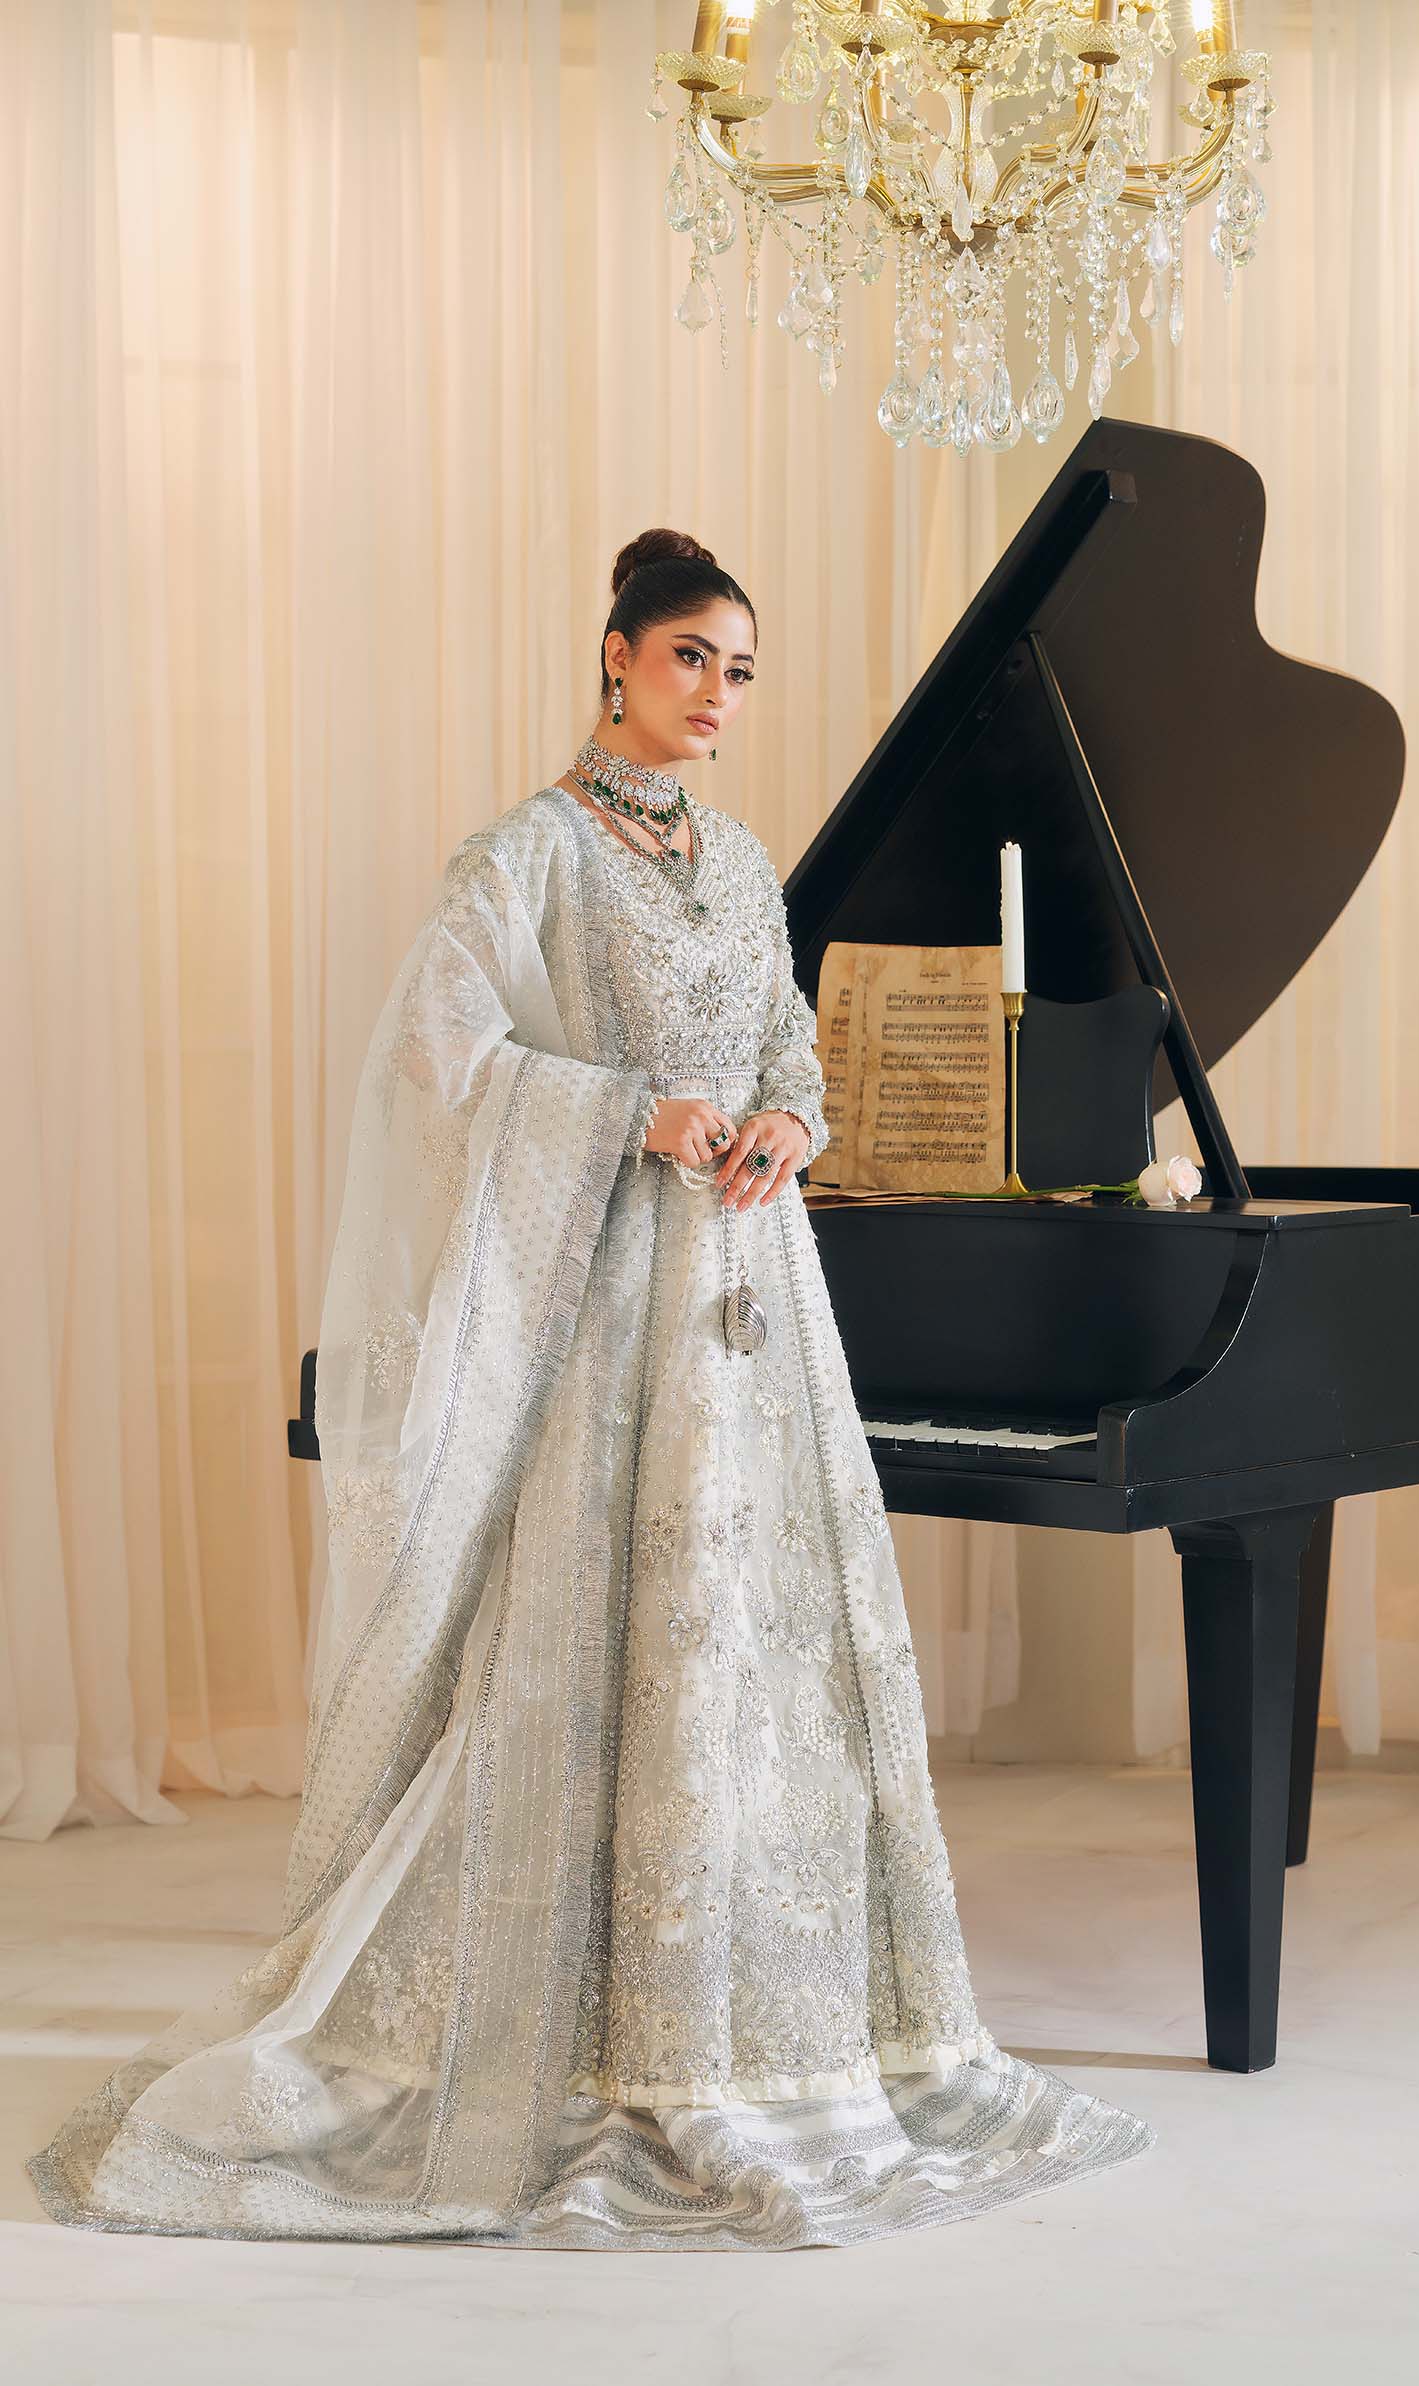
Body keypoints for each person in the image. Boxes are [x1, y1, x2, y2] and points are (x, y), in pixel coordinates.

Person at [26, 529, 1154, 2250]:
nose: (719, 694)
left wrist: (794, 1118)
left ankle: (763, 2018)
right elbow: (437, 1049)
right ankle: (584, 2029)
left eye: (741, 670)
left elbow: (785, 1035)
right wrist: (633, 1112)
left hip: (756, 1290)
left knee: (761, 1638)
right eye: (693, 655)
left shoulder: (743, 858)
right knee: (599, 1632)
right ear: (616, 653)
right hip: (611, 1300)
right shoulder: (529, 854)